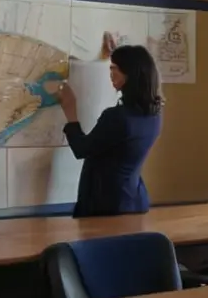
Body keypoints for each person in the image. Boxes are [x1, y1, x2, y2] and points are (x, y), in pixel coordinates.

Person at [57, 35, 164, 218]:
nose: (110, 74)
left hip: (106, 206)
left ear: (130, 74)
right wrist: (118, 54)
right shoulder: (154, 115)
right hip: (134, 201)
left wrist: (70, 109)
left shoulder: (117, 117)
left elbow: (82, 149)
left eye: (114, 69)